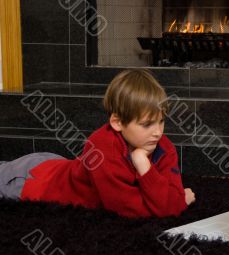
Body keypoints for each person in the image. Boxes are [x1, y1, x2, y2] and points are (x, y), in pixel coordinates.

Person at [0, 70, 195, 218]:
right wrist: (176, 201)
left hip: (61, 165)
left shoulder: (163, 146)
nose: (158, 132)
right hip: (33, 180)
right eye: (147, 124)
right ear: (117, 122)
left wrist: (143, 165)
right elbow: (128, 211)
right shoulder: (101, 148)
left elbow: (169, 206)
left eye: (161, 121)